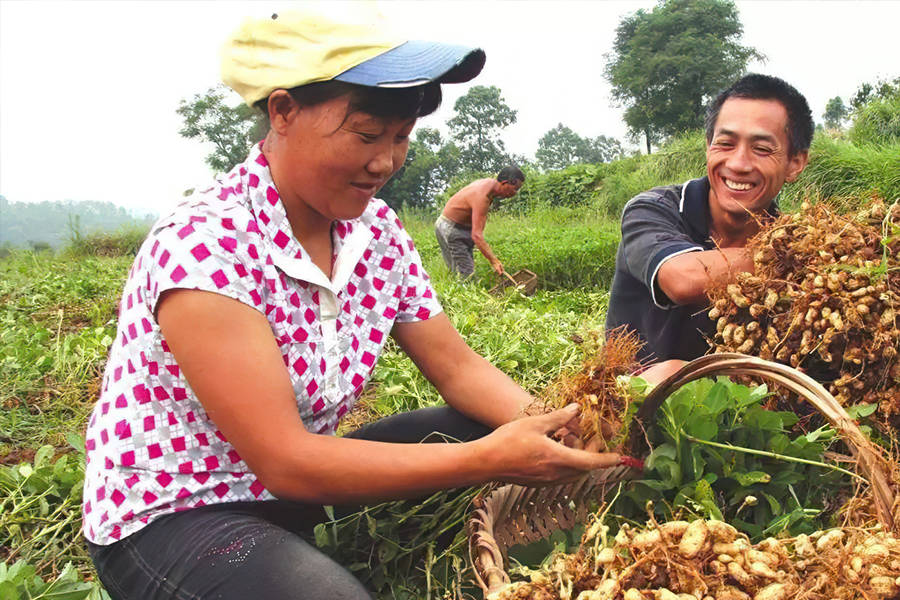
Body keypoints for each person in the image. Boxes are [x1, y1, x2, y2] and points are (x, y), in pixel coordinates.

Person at [81, 11, 628, 600]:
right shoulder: (207, 243)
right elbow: (285, 461)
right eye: (367, 135)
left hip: (297, 491)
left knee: (487, 422)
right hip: (181, 510)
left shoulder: (377, 233)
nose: (385, 163)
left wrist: (555, 428)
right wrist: (486, 460)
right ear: (283, 112)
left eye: (401, 139)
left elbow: (459, 368)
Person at [605, 74, 812, 367]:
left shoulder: (790, 236)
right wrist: (802, 257)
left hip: (742, 403)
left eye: (762, 149)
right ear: (708, 145)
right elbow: (682, 279)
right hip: (633, 397)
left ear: (795, 163)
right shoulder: (653, 209)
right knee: (670, 373)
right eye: (725, 143)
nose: (738, 164)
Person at [434, 166, 524, 277]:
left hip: (463, 229)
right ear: (505, 183)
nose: (515, 193)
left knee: (465, 269)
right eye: (515, 188)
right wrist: (494, 261)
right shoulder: (482, 196)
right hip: (450, 227)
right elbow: (477, 235)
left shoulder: (491, 187)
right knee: (465, 274)